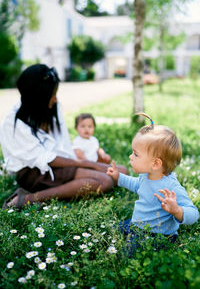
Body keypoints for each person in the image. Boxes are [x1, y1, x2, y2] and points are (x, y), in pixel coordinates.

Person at [0, 64, 128, 209]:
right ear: (38, 98)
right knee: (104, 181)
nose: (55, 99)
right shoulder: (13, 123)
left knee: (122, 171)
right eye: (52, 95)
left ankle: (70, 184)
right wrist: (88, 164)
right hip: (34, 172)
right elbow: (43, 158)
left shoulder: (52, 107)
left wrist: (84, 161)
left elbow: (63, 144)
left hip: (60, 163)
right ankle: (28, 198)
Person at [107, 113, 199, 251]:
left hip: (157, 235)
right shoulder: (146, 176)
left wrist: (177, 210)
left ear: (156, 164)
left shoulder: (171, 187)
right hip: (137, 225)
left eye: (136, 154)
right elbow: (137, 185)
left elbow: (194, 213)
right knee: (113, 231)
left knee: (127, 252)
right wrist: (118, 177)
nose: (130, 157)